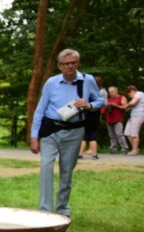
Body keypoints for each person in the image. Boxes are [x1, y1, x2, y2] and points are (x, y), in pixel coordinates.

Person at [30, 49, 104, 218]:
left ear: (78, 64)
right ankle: (45, 211)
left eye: (73, 63)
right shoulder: (51, 82)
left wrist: (88, 105)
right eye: (66, 64)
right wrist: (34, 136)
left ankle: (62, 210)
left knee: (66, 171)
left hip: (74, 131)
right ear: (60, 66)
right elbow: (40, 109)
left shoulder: (87, 80)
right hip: (51, 130)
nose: (70, 66)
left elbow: (100, 100)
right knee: (46, 167)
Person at [78, 74, 105, 160]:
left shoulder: (85, 95)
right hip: (94, 117)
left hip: (86, 116)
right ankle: (94, 154)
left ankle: (80, 154)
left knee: (84, 136)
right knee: (93, 136)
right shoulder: (98, 96)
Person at [104, 86, 129, 154]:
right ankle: (113, 149)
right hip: (109, 118)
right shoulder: (108, 99)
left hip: (118, 119)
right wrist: (107, 106)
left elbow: (126, 107)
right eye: (109, 92)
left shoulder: (122, 98)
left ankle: (124, 148)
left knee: (119, 134)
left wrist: (115, 105)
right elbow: (103, 110)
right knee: (111, 135)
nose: (111, 93)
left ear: (116, 91)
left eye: (112, 92)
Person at [120, 85, 143, 155]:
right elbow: (127, 108)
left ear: (132, 91)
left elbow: (132, 103)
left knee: (134, 133)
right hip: (133, 116)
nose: (129, 96)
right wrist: (124, 105)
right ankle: (136, 148)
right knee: (127, 132)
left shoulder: (139, 94)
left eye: (129, 94)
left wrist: (126, 105)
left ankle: (134, 150)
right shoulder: (135, 97)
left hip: (138, 115)